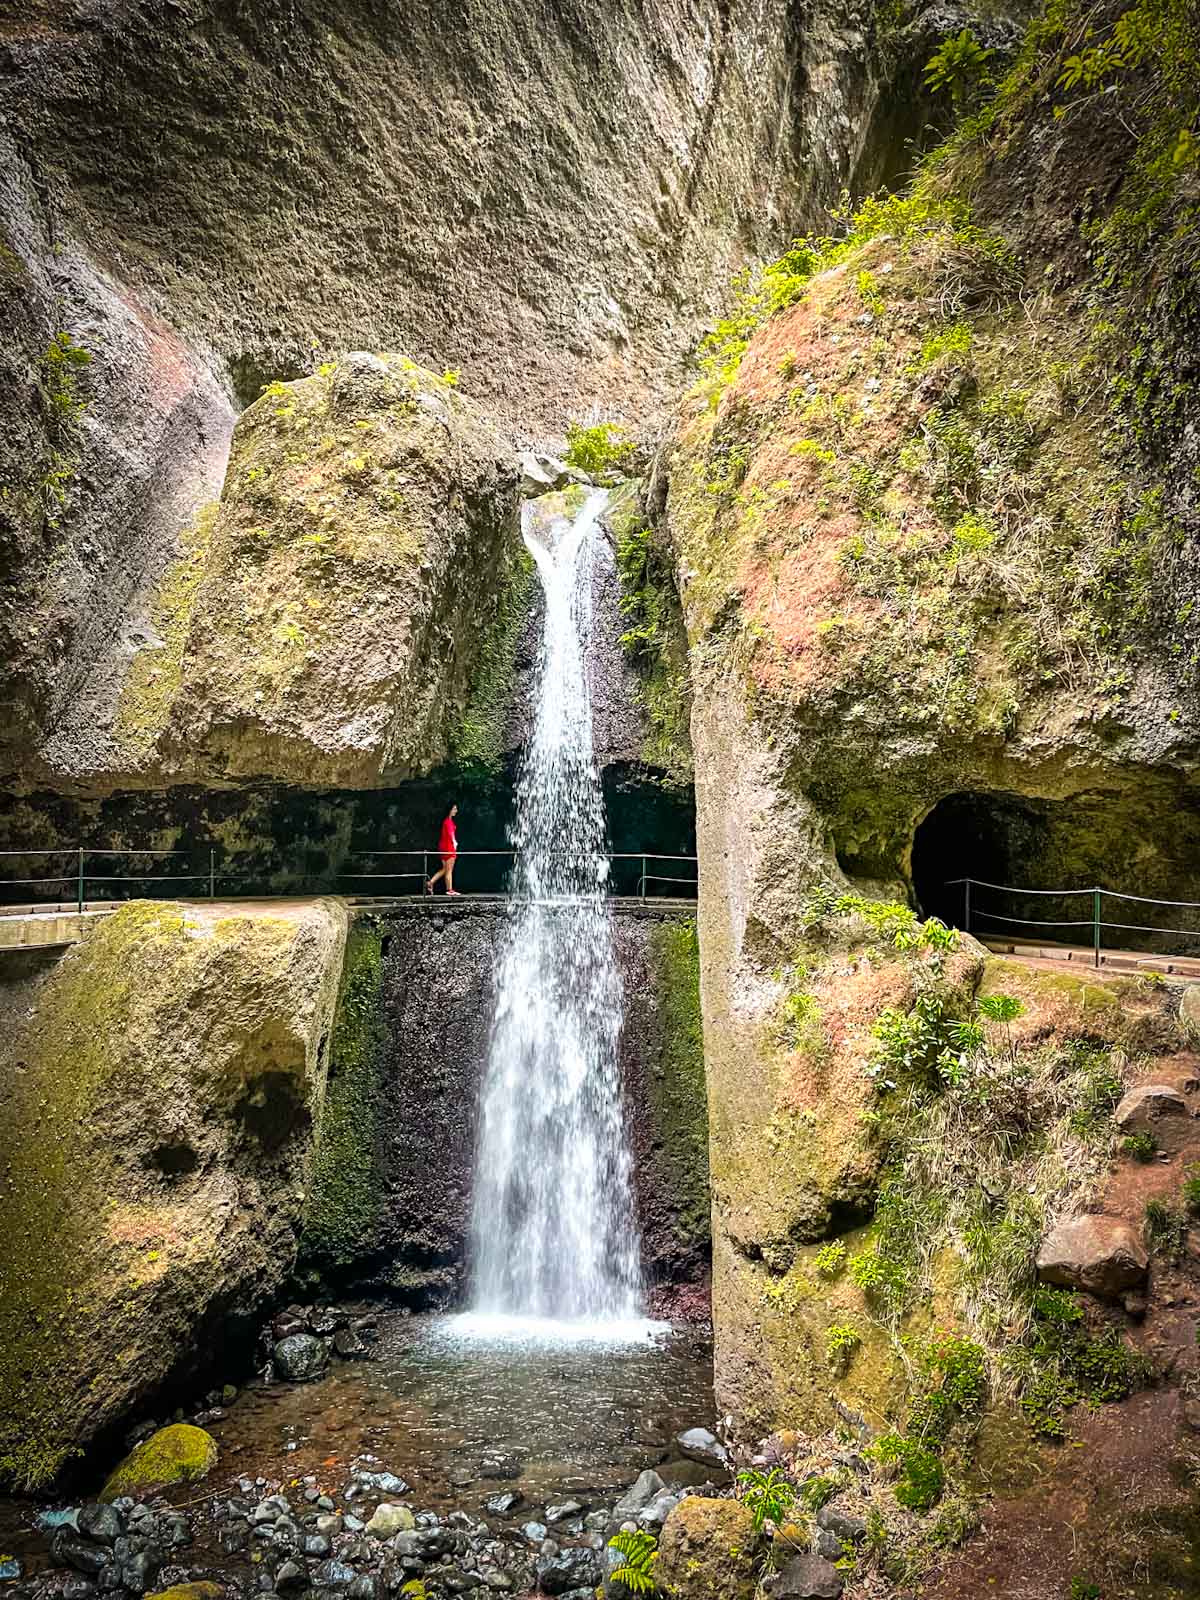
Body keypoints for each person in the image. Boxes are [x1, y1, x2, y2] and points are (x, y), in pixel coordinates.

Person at [426, 804, 460, 896]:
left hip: (443, 847)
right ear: (450, 810)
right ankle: (449, 890)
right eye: (454, 809)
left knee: (445, 869)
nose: (456, 811)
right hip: (449, 847)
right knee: (449, 870)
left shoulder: (446, 821)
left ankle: (430, 882)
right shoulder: (448, 821)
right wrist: (454, 842)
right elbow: (451, 833)